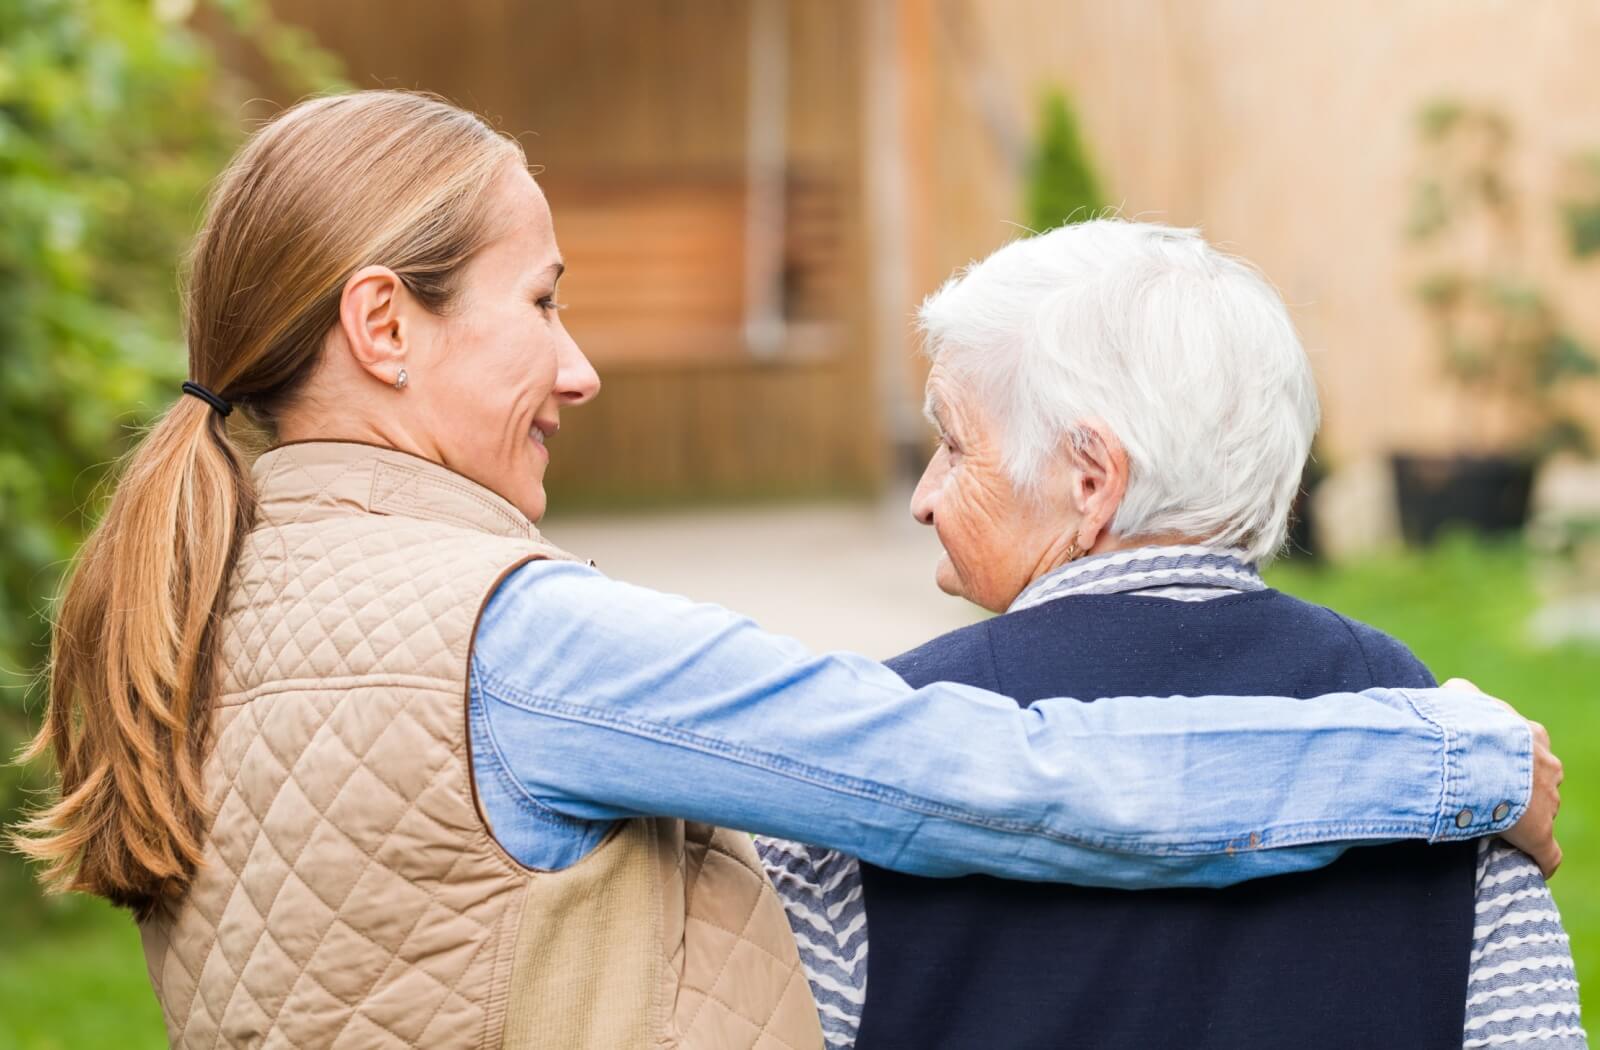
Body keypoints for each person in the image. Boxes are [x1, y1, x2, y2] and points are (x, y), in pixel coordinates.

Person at [10, 92, 1560, 1050]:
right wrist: (1456, 753)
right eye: (541, 303)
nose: (579, 366)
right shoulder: (514, 642)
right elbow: (998, 779)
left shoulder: (213, 607)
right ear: (383, 326)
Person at [758, 221, 1584, 1050]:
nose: (924, 498)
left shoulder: (871, 751)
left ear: (1091, 478)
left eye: (953, 444)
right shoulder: (1443, 747)